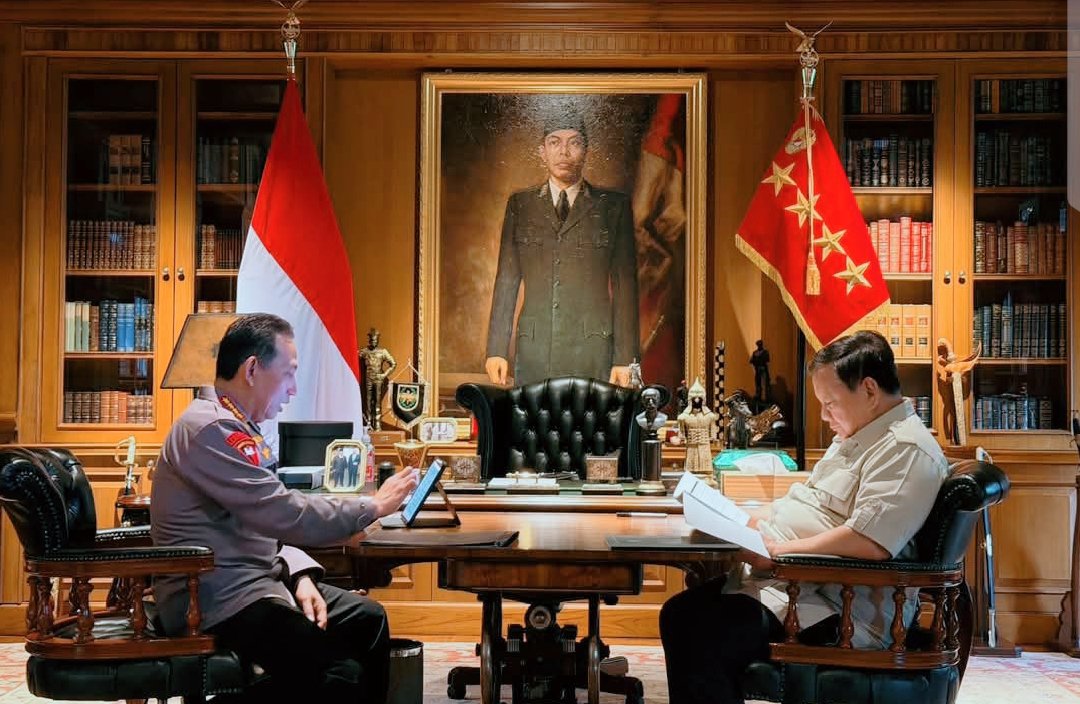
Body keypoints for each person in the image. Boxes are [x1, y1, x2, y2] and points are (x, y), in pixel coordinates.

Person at [660, 331, 949, 704]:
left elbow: (870, 541)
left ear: (869, 390)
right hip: (796, 586)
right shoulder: (857, 436)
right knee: (681, 613)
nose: (824, 416)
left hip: (835, 608)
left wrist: (779, 552)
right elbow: (809, 502)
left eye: (830, 403)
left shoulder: (905, 449)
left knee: (696, 627)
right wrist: (740, 520)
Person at [151, 313, 420, 703]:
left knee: (368, 620)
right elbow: (282, 512)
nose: (293, 390)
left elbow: (265, 523)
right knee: (338, 673)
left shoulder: (236, 424)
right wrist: (373, 506)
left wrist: (299, 575)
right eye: (289, 374)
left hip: (253, 584)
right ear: (252, 369)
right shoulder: (210, 429)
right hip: (215, 599)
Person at [485, 114, 639, 387]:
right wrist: (496, 350)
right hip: (534, 351)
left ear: (586, 150)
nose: (564, 152)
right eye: (554, 142)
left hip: (593, 351)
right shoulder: (521, 205)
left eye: (574, 143)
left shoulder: (613, 206)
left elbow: (625, 284)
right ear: (542, 151)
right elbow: (507, 280)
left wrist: (625, 358)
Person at [676, 379, 718, 476]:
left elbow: (713, 432)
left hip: (704, 445)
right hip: (691, 445)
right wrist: (682, 437)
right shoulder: (683, 417)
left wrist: (712, 437)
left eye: (699, 398)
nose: (697, 400)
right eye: (694, 398)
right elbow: (682, 433)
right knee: (691, 465)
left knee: (705, 464)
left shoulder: (710, 416)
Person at [359, 327, 396, 430]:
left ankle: (378, 423)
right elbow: (354, 357)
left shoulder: (383, 352)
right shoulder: (364, 352)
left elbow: (393, 364)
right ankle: (368, 423)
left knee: (377, 402)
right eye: (372, 340)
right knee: (368, 402)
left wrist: (384, 375)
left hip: (378, 379)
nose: (374, 342)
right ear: (369, 340)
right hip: (368, 379)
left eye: (375, 340)